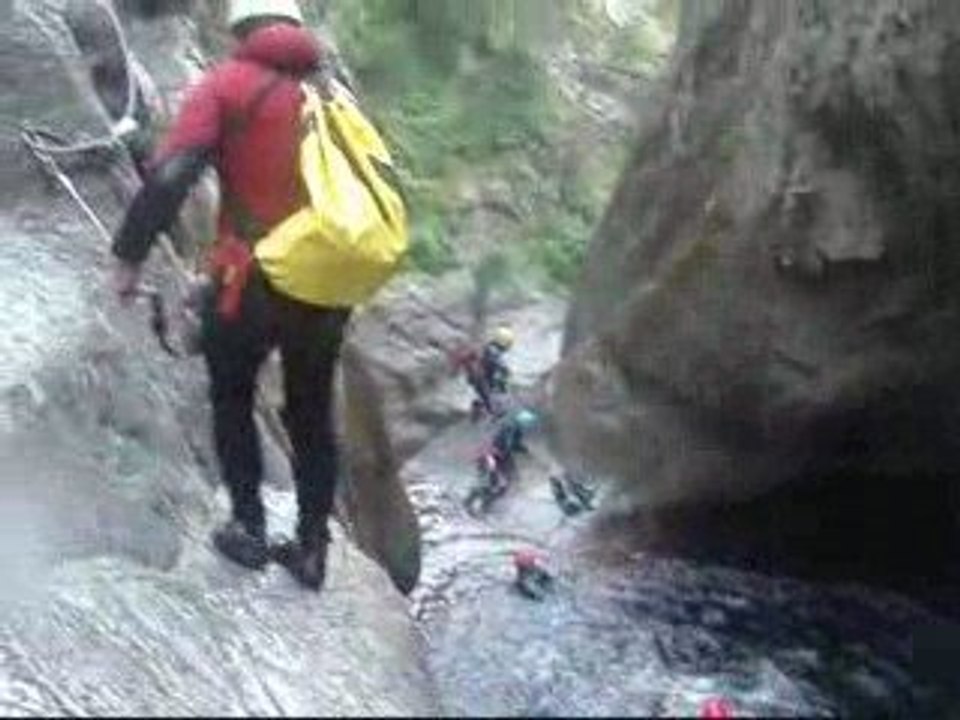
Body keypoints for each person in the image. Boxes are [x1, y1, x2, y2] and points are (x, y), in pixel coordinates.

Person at [110, 0, 348, 592]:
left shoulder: (226, 86)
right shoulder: (333, 97)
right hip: (325, 280)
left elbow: (172, 175)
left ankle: (249, 526)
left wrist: (128, 255)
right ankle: (314, 548)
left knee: (233, 396)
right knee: (312, 412)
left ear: (239, 28)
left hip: (253, 277)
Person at [455, 326, 514, 420]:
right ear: (504, 342)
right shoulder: (493, 351)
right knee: (492, 401)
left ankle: (482, 408)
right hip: (481, 377)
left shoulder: (488, 347)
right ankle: (484, 411)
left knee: (487, 395)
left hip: (478, 376)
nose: (510, 345)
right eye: (509, 342)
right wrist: (504, 370)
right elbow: (495, 363)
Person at [490, 407, 538, 484]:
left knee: (510, 472)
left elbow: (513, 442)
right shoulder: (509, 426)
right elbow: (510, 442)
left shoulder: (512, 426)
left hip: (503, 450)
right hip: (500, 451)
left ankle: (509, 482)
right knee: (504, 469)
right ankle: (501, 482)